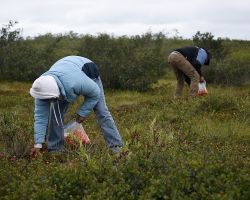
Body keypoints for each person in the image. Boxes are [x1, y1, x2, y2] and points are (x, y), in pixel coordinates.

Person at [29, 56, 123, 156]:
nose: (49, 101)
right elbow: (40, 118)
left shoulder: (74, 83)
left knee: (101, 111)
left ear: (57, 91)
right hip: (64, 71)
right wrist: (38, 144)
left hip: (87, 69)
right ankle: (55, 150)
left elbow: (95, 92)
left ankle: (116, 148)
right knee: (55, 113)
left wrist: (83, 112)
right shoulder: (40, 89)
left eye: (51, 98)